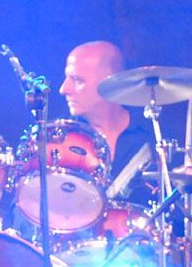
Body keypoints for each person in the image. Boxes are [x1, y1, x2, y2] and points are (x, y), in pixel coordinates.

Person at [58, 40, 154, 204]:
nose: (63, 89)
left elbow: (187, 210)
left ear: (111, 84)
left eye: (77, 80)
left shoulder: (151, 137)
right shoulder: (60, 139)